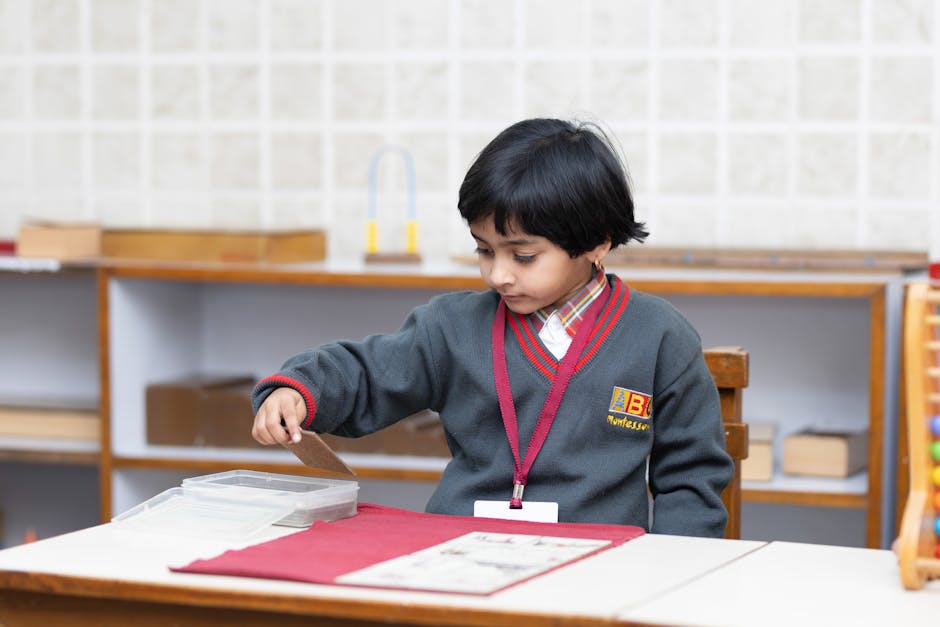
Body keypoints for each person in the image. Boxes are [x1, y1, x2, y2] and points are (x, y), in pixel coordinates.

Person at [251, 117, 733, 537]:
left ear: (596, 242)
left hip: (599, 565)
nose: (498, 274)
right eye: (484, 250)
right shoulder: (450, 327)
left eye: (523, 255)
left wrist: (669, 568)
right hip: (458, 553)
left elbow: (691, 480)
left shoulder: (660, 337)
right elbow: (368, 372)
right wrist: (299, 390)